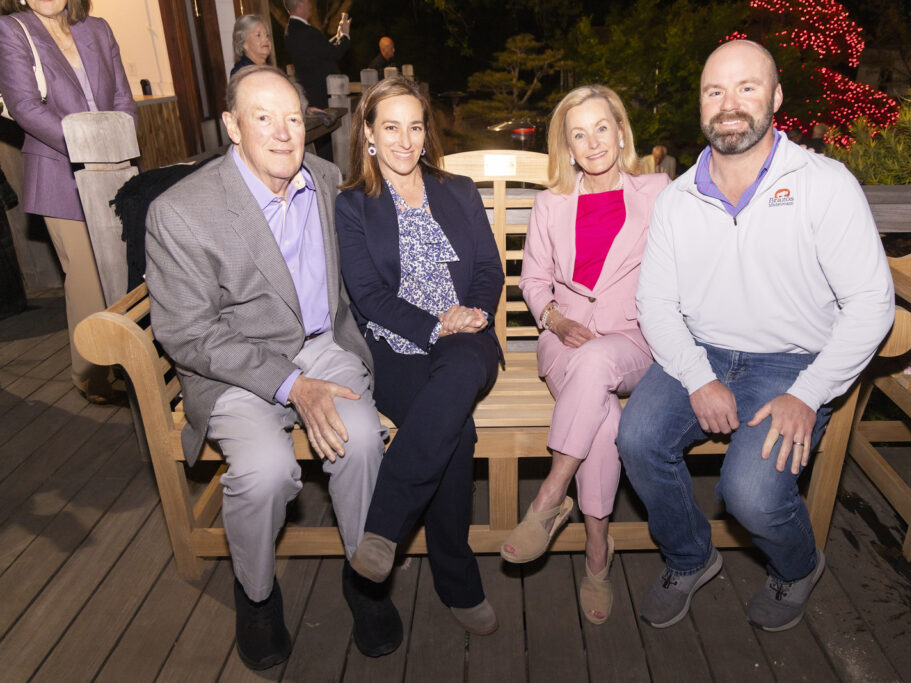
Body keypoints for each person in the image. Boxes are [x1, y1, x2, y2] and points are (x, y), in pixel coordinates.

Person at [616, 39, 894, 633]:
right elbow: (656, 304)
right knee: (637, 439)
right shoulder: (677, 199)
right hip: (702, 349)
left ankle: (798, 566)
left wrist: (809, 392)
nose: (730, 103)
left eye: (747, 87)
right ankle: (691, 557)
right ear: (701, 105)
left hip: (794, 364)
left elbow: (872, 302)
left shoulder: (824, 184)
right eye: (715, 91)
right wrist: (698, 377)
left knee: (749, 492)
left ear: (776, 98)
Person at [145, 66, 402, 669]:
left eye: (293, 117)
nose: (283, 133)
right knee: (265, 473)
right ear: (233, 127)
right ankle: (257, 594)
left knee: (362, 440)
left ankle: (362, 578)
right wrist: (293, 386)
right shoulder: (182, 213)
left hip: (322, 345)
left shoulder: (326, 176)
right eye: (263, 117)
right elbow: (187, 331)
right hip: (235, 365)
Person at [336, 76, 504, 636]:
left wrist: (470, 314)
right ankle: (457, 581)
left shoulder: (457, 190)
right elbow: (369, 296)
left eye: (414, 127)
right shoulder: (353, 205)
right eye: (391, 127)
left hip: (468, 336)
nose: (405, 141)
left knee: (457, 370)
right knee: (453, 432)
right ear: (368, 133)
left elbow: (488, 270)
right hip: (396, 348)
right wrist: (436, 323)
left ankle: (383, 526)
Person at [500, 85, 669, 625]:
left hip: (633, 342)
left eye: (602, 127)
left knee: (599, 365)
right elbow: (531, 281)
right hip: (563, 342)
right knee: (603, 418)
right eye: (579, 133)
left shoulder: (659, 192)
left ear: (621, 133)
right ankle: (599, 552)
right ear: (567, 148)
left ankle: (548, 499)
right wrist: (554, 318)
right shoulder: (551, 204)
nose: (592, 141)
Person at [0, 0, 136, 401]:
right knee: (88, 280)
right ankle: (90, 374)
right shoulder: (12, 30)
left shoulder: (99, 28)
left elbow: (123, 96)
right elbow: (25, 108)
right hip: (59, 170)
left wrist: (119, 142)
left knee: (126, 273)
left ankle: (133, 365)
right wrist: (87, 145)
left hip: (116, 167)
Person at [283, 0, 350, 110]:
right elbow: (335, 53)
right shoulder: (307, 31)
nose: (310, 6)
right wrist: (346, 34)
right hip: (323, 93)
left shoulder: (290, 31)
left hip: (308, 92)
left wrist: (339, 36)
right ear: (300, 5)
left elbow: (321, 49)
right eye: (307, 2)